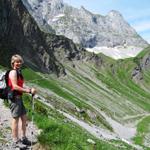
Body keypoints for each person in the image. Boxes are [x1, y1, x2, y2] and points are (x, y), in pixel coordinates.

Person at [8, 54, 36, 148]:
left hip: (19, 98)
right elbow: (15, 86)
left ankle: (23, 138)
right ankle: (15, 140)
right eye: (17, 62)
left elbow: (21, 86)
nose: (19, 63)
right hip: (14, 98)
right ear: (13, 63)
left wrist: (29, 89)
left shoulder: (18, 72)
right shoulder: (13, 72)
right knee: (15, 119)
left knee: (24, 118)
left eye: (20, 61)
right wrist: (28, 91)